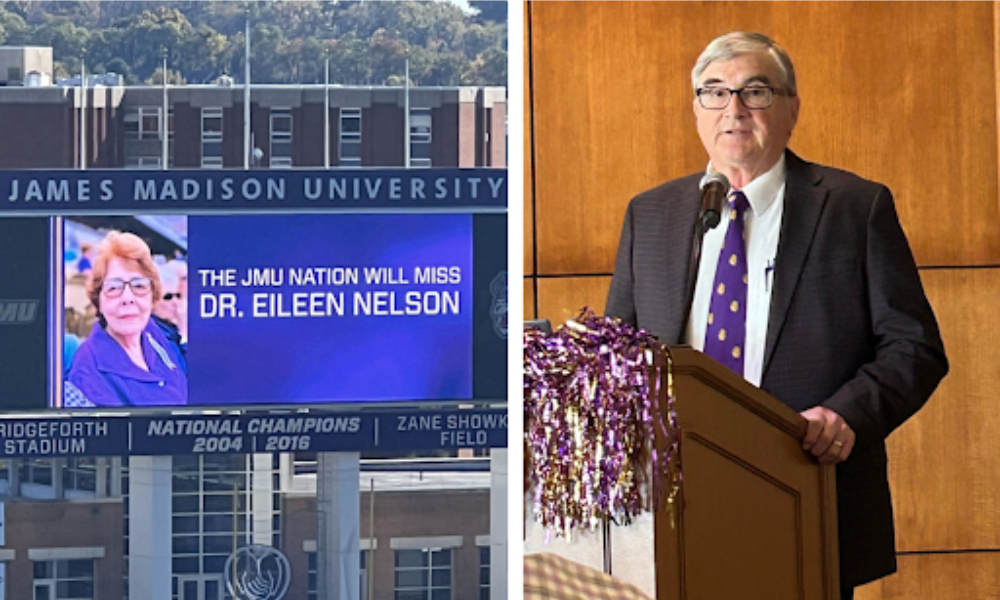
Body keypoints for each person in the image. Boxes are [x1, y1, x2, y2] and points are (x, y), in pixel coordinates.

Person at [605, 32, 948, 599]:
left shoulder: (854, 207)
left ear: (792, 108)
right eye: (713, 93)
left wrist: (848, 416)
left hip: (808, 489)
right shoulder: (651, 214)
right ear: (696, 110)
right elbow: (617, 357)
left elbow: (914, 348)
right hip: (676, 506)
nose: (732, 110)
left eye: (755, 92)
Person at [65, 231, 187, 407]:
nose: (128, 298)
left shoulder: (155, 334)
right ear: (98, 298)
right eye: (114, 288)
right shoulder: (88, 371)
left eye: (139, 286)